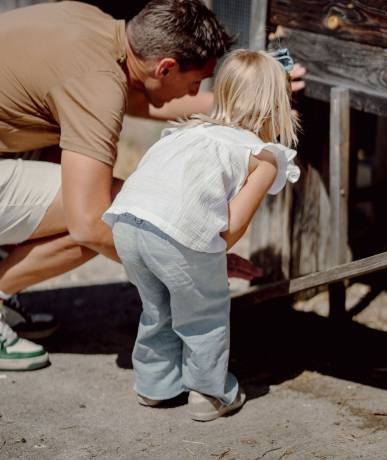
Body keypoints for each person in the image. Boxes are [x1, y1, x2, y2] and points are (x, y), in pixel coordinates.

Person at [0, 0, 306, 371]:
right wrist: (190, 262)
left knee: (84, 189)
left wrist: (253, 99)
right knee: (115, 212)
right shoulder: (97, 85)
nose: (192, 93)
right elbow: (88, 224)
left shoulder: (94, 27)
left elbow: (142, 98)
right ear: (166, 67)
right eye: (194, 84)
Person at [102, 48, 300, 421]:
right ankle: (210, 393)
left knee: (157, 308)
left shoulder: (187, 130)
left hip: (128, 222)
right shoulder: (262, 156)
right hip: (176, 234)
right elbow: (230, 228)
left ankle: (155, 386)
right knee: (204, 314)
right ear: (278, 104)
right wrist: (208, 261)